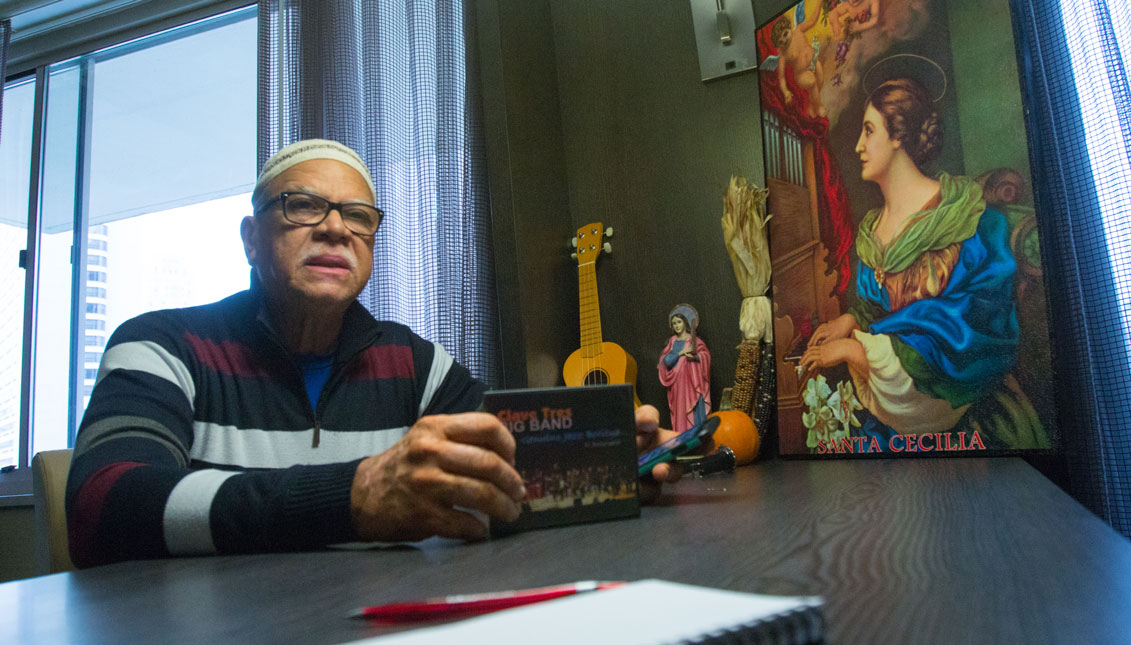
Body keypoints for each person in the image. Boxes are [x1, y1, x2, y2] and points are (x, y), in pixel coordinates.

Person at [66, 139, 681, 568]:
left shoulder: (414, 364)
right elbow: (105, 507)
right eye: (302, 206)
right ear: (252, 239)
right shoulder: (160, 347)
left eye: (358, 216)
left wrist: (605, 464)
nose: (336, 228)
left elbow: (509, 469)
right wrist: (353, 497)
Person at [799, 78, 1048, 450]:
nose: (858, 146)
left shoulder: (966, 217)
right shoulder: (871, 229)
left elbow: (971, 335)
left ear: (899, 136)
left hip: (955, 410)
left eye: (869, 131)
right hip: (886, 415)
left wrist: (857, 351)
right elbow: (879, 310)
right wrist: (850, 321)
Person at [657, 305, 711, 434]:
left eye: (679, 322)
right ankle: (682, 440)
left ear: (685, 322)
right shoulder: (672, 341)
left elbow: (705, 356)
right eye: (674, 323)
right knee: (680, 412)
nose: (676, 325)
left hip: (692, 383)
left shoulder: (694, 341)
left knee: (694, 412)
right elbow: (665, 361)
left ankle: (698, 441)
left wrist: (696, 356)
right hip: (677, 385)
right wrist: (681, 353)